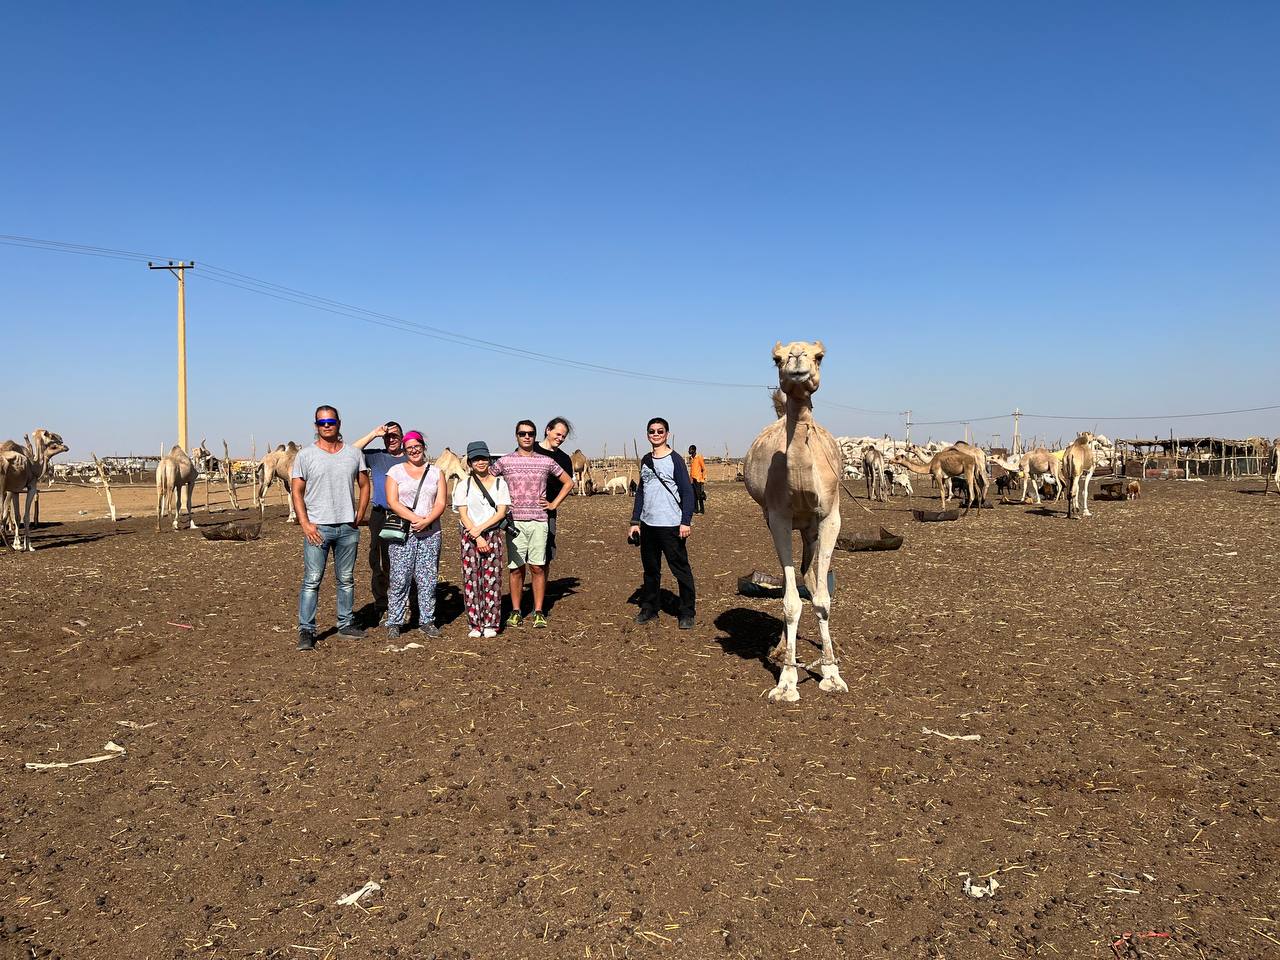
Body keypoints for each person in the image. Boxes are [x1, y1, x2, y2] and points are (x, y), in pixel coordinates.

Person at [291, 405, 371, 651]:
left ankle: (345, 622)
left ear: (339, 423)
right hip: (318, 528)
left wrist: (359, 514)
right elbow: (297, 490)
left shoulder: (353, 454)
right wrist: (305, 523)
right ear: (316, 426)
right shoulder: (305, 456)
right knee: (312, 580)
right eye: (322, 422)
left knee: (346, 579)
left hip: (347, 527)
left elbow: (364, 485)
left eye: (331, 421)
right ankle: (307, 629)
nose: (327, 425)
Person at [490, 419, 575, 628]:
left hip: (539, 520)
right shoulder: (506, 461)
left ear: (535, 436)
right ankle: (516, 611)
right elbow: (488, 479)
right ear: (516, 435)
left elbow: (569, 482)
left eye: (530, 434)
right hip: (514, 522)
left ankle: (538, 611)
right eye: (522, 433)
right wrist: (499, 508)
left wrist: (553, 504)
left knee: (538, 567)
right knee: (516, 568)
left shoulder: (546, 461)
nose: (526, 437)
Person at [629, 417, 696, 630]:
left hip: (671, 524)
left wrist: (685, 521)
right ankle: (649, 608)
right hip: (648, 524)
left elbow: (687, 492)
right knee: (650, 570)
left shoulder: (675, 460)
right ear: (647, 434)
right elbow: (641, 491)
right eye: (652, 431)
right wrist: (635, 521)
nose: (656, 434)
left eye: (660, 431)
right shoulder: (646, 460)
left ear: (667, 434)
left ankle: (686, 612)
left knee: (680, 569)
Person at [384, 431, 447, 639]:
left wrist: (427, 521)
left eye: (416, 445)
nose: (413, 449)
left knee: (427, 578)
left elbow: (440, 503)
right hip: (404, 532)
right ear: (404, 449)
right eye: (409, 446)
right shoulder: (395, 471)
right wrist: (414, 519)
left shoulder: (436, 472)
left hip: (430, 532)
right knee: (400, 578)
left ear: (423, 446)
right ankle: (395, 620)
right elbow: (392, 501)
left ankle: (427, 620)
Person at [452, 441, 511, 638]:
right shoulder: (463, 485)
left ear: (489, 459)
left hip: (492, 534)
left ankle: (491, 623)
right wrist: (476, 536)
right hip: (469, 536)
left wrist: (481, 531)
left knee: (492, 579)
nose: (480, 462)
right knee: (471, 579)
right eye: (476, 458)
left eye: (483, 458)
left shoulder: (500, 483)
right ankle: (475, 623)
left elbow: (501, 512)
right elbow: (463, 513)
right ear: (470, 461)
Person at [353, 421, 405, 620]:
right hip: (380, 514)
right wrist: (373, 433)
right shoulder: (376, 456)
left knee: (402, 558)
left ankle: (402, 597)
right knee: (378, 558)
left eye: (395, 435)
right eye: (388, 436)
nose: (391, 439)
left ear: (402, 437)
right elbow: (351, 451)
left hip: (404, 514)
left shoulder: (410, 456)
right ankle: (382, 600)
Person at [533, 416, 574, 581]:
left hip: (546, 512)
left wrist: (554, 504)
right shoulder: (530, 449)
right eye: (558, 434)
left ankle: (541, 596)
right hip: (523, 510)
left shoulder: (564, 459)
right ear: (547, 430)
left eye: (563, 436)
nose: (560, 439)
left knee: (544, 554)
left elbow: (568, 484)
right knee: (520, 558)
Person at [687, 444, 707, 514]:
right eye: (689, 449)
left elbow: (704, 468)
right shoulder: (691, 459)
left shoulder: (699, 457)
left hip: (698, 479)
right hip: (692, 479)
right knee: (694, 495)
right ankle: (695, 509)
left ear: (694, 450)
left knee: (699, 495)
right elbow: (692, 469)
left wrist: (703, 479)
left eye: (691, 450)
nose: (689, 451)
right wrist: (690, 478)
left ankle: (702, 510)